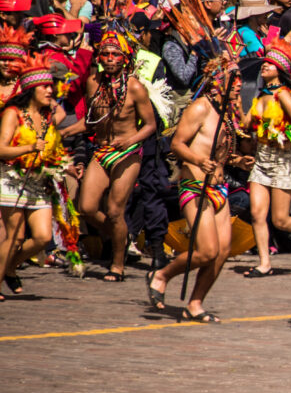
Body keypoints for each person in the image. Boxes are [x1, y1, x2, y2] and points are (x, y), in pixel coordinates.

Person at [147, 56, 250, 322]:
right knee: (206, 251)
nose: (238, 85)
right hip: (195, 186)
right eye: (233, 79)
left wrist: (237, 160)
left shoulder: (229, 112)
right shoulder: (200, 108)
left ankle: (195, 303)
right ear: (217, 81)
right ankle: (162, 274)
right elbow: (177, 144)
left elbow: (220, 152)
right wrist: (197, 160)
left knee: (223, 252)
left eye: (239, 80)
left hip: (219, 188)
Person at [76, 31, 158, 282]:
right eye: (105, 54)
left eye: (115, 55)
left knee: (114, 211)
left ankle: (118, 264)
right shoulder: (93, 83)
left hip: (127, 153)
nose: (110, 58)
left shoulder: (134, 87)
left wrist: (129, 141)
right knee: (86, 207)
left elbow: (151, 125)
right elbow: (91, 122)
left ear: (125, 59)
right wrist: (63, 131)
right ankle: (119, 236)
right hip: (101, 151)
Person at [244, 37, 291, 276]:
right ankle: (264, 263)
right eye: (264, 63)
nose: (264, 66)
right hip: (262, 158)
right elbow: (247, 124)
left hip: (283, 159)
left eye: (270, 63)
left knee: (280, 220)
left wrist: (283, 136)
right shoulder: (259, 96)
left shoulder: (283, 94)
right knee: (257, 213)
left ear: (280, 69)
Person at [0, 56, 74, 299]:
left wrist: (61, 162)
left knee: (42, 236)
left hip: (38, 180)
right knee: (16, 236)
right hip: (12, 178)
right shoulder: (13, 113)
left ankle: (10, 267)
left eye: (52, 86)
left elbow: (52, 144)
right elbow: (1, 149)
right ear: (32, 88)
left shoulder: (47, 115)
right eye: (46, 86)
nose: (51, 90)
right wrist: (28, 149)